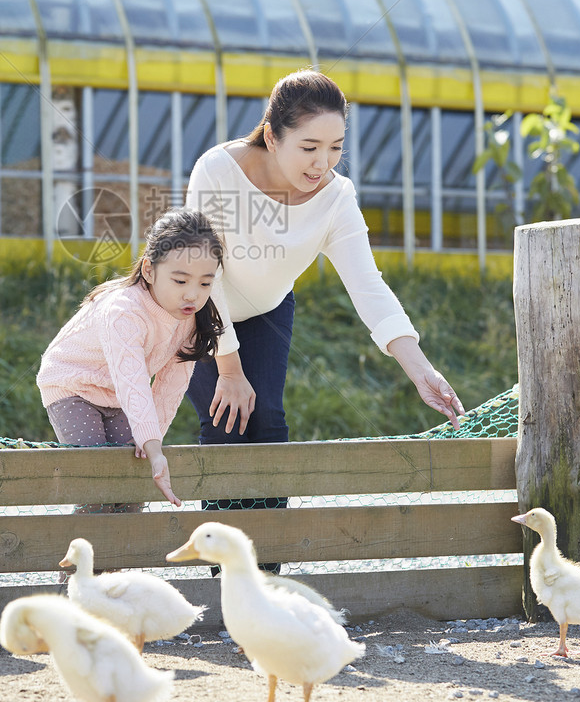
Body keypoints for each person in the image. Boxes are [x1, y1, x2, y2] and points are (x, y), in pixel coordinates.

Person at [185, 69, 464, 493]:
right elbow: (205, 275)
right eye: (309, 147)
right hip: (196, 307)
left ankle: (266, 558)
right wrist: (229, 367)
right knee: (225, 424)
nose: (323, 162)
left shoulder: (337, 198)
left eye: (335, 148)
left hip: (266, 310)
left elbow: (368, 285)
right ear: (273, 137)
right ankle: (222, 558)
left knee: (267, 422)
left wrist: (422, 370)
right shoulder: (218, 170)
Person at [37, 207, 224, 510]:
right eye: (180, 281)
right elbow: (133, 382)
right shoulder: (124, 311)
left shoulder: (191, 318)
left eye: (205, 283)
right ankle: (79, 556)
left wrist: (153, 443)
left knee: (133, 489)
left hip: (119, 398)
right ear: (149, 270)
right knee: (95, 485)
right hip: (73, 387)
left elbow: (170, 386)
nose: (193, 294)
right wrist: (152, 443)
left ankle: (121, 558)